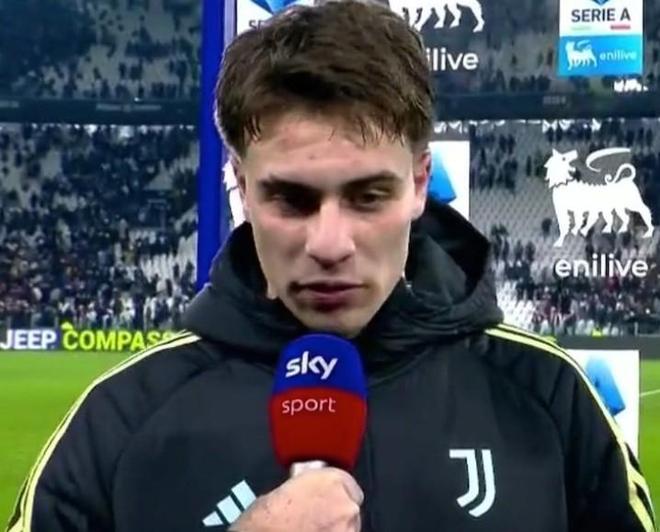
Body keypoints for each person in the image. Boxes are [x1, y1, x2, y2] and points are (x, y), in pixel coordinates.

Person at [6, 2, 656, 531]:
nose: (330, 242)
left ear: (419, 183)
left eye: (368, 196)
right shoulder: (121, 419)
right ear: (241, 186)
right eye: (291, 199)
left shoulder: (550, 399)